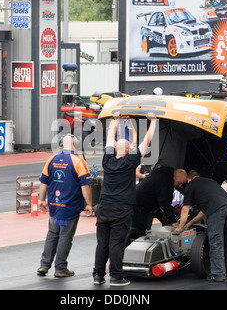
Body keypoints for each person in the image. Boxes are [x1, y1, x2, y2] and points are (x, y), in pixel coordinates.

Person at [92, 111, 157, 287]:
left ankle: (98, 276)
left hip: (104, 206)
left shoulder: (107, 160)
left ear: (115, 149)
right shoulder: (131, 161)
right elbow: (146, 141)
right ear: (128, 150)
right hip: (121, 208)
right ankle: (116, 277)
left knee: (102, 243)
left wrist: (116, 120)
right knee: (116, 243)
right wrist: (153, 121)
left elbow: (109, 136)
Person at [37, 134, 93, 277]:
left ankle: (44, 265)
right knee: (65, 236)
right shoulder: (78, 161)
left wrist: (41, 200)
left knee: (52, 233)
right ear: (76, 144)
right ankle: (60, 268)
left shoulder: (51, 159)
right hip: (70, 206)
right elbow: (85, 186)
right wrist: (89, 204)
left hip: (54, 205)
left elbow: (43, 181)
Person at [174, 170, 227, 282]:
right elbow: (205, 210)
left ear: (188, 180)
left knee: (216, 240)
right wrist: (191, 223)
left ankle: (218, 274)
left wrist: (180, 227)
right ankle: (225, 271)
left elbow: (185, 209)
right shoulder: (209, 182)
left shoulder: (191, 185)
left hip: (217, 209)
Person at [128, 167, 186, 241]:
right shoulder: (165, 181)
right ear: (175, 177)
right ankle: (134, 247)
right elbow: (166, 205)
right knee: (138, 230)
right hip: (140, 204)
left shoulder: (163, 174)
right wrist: (175, 223)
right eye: (179, 183)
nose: (179, 185)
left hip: (142, 202)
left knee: (144, 226)